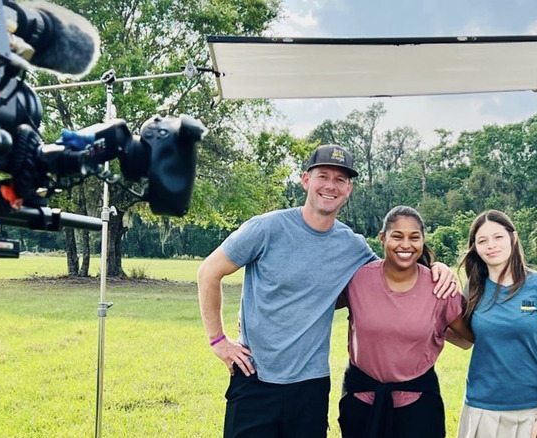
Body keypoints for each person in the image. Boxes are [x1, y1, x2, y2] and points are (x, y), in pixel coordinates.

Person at [197, 144, 459, 438]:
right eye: (323, 176)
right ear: (306, 180)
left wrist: (437, 268)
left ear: (349, 189)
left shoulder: (352, 246)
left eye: (340, 180)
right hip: (254, 376)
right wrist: (218, 340)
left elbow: (391, 275)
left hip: (311, 385)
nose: (330, 186)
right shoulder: (267, 228)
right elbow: (209, 272)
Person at [337, 205, 473, 438]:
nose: (406, 245)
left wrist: (435, 328)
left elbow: (468, 339)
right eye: (397, 236)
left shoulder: (439, 287)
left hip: (418, 406)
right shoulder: (358, 280)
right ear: (382, 238)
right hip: (362, 401)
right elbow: (312, 306)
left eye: (414, 237)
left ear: (422, 241)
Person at [456, 210, 537, 438]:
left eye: (498, 237)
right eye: (482, 241)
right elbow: (466, 341)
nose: (491, 245)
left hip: (531, 412)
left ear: (513, 238)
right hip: (482, 408)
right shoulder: (473, 289)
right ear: (475, 247)